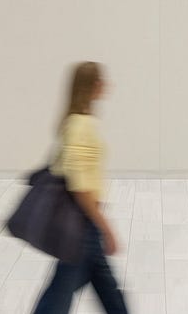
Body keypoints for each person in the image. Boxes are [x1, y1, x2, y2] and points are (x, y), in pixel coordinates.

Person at [31, 61, 128, 314]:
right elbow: (80, 187)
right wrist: (106, 227)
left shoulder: (76, 122)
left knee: (109, 294)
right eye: (103, 81)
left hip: (85, 227)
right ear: (95, 86)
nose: (107, 85)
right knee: (57, 298)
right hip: (83, 226)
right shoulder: (80, 126)